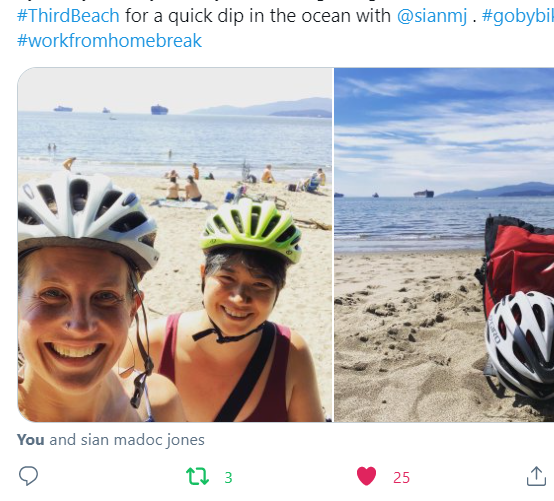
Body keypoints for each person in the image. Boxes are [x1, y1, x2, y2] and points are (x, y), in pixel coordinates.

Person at [122, 198, 324, 422]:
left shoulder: (291, 354)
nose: (239, 298)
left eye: (260, 285)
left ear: (279, 289)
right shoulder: (147, 343)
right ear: (203, 275)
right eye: (227, 278)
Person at [17, 171, 185, 422]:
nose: (80, 326)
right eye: (52, 294)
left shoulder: (159, 405)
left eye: (105, 296)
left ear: (132, 309)